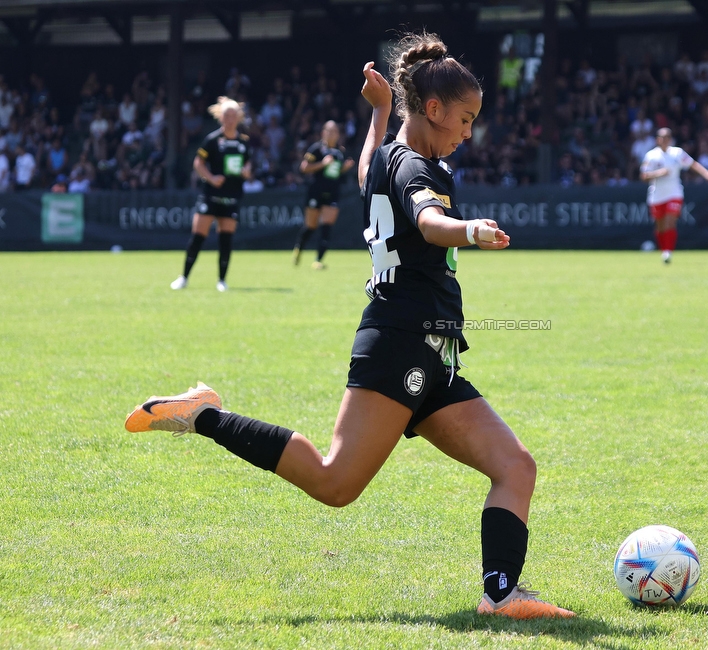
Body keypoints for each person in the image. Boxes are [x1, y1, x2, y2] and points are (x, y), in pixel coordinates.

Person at [125, 32, 574, 621]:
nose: (469, 133)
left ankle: (502, 596)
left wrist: (380, 112)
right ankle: (202, 413)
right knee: (336, 483)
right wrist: (470, 229)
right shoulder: (421, 169)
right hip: (400, 346)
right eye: (465, 119)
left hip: (430, 352)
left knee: (515, 466)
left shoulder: (388, 157)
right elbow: (431, 221)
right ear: (434, 109)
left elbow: (366, 164)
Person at [171, 97, 251, 292]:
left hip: (232, 195)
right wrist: (210, 178)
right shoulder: (212, 140)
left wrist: (247, 171)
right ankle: (184, 277)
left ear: (238, 118)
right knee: (198, 236)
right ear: (220, 117)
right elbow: (198, 163)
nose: (230, 119)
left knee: (226, 238)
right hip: (210, 195)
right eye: (226, 115)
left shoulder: (243, 142)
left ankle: (222, 280)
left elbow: (247, 164)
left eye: (233, 115)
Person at [640, 128, 708, 264]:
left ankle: (668, 252)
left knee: (670, 222)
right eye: (662, 137)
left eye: (668, 137)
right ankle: (664, 250)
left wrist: (706, 174)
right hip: (656, 195)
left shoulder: (677, 153)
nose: (665, 140)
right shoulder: (651, 156)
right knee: (660, 227)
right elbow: (644, 176)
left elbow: (693, 164)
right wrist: (659, 173)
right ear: (658, 140)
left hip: (674, 193)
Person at [292, 120, 355, 269]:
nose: (331, 134)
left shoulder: (340, 152)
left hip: (333, 192)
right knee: (310, 226)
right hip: (315, 191)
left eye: (334, 131)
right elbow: (304, 168)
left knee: (327, 226)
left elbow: (336, 173)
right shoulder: (316, 149)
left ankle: (318, 260)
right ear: (323, 133)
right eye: (329, 131)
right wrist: (322, 163)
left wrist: (344, 169)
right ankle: (299, 248)